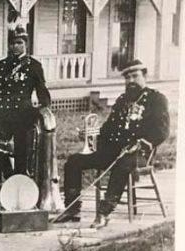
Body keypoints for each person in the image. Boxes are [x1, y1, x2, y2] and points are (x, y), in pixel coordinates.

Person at [56, 59, 169, 227]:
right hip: (112, 150)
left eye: (135, 76)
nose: (130, 81)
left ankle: (104, 213)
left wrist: (143, 142)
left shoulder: (157, 99)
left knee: (122, 164)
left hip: (138, 153)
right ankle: (72, 209)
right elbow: (108, 129)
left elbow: (162, 131)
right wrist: (90, 134)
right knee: (74, 162)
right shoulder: (122, 100)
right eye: (127, 77)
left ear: (144, 76)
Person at [0, 25, 50, 175]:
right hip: (3, 115)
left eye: (19, 43)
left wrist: (44, 106)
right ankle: (5, 180)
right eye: (13, 43)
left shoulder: (34, 66)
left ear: (26, 44)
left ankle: (20, 183)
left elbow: (41, 89)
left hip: (23, 115)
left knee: (21, 153)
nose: (15, 46)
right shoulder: (2, 65)